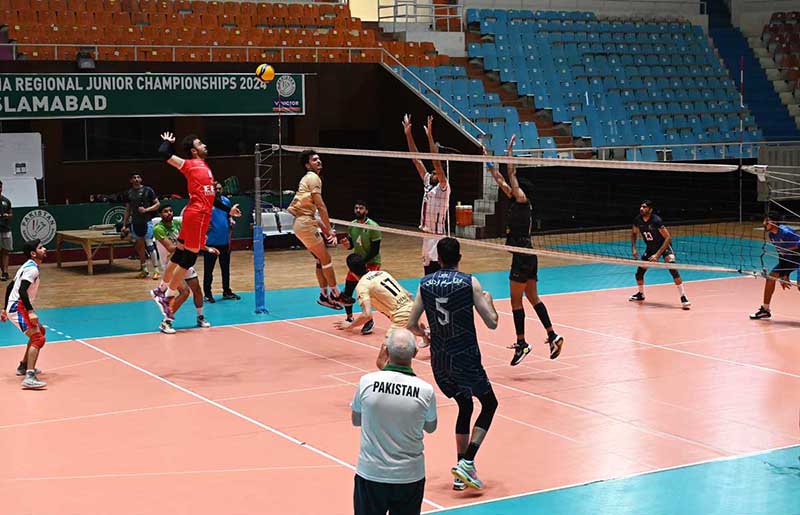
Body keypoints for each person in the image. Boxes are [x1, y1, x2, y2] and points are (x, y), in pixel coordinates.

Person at [407, 237, 499, 491]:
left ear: (439, 259)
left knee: (465, 404)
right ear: (459, 257)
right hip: (465, 357)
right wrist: (489, 301)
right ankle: (467, 461)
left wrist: (426, 336)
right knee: (490, 404)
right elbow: (492, 322)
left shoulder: (425, 283)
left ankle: (461, 474)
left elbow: (411, 324)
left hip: (441, 360)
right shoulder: (470, 282)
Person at [486, 135, 563, 365]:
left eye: (517, 188)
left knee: (515, 302)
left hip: (522, 255)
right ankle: (553, 335)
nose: (513, 189)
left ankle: (522, 343)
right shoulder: (514, 199)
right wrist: (487, 161)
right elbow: (500, 178)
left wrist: (509, 151)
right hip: (527, 254)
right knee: (532, 297)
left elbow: (510, 174)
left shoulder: (522, 199)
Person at [151, 132, 241, 320]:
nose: (204, 145)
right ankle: (168, 297)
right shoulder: (189, 164)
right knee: (189, 259)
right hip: (197, 215)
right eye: (200, 144)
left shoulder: (206, 168)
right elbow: (164, 154)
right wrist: (167, 142)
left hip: (199, 214)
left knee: (180, 254)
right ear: (194, 150)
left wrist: (228, 210)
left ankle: (160, 290)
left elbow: (212, 199)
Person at [351, 328, 437, 515]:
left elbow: (356, 419)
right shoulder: (426, 390)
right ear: (415, 353)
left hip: (372, 473)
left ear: (386, 351)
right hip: (410, 476)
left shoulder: (366, 382)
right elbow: (431, 427)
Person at [287, 149, 353, 309]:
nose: (319, 161)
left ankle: (324, 296)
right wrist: (330, 230)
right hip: (305, 224)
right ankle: (336, 294)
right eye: (315, 159)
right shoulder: (313, 178)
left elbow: (314, 214)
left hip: (303, 223)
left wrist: (326, 230)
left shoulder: (307, 179)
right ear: (307, 164)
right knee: (327, 259)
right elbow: (321, 206)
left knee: (320, 259)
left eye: (319, 159)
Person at [335, 254, 425, 370]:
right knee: (406, 350)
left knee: (382, 361)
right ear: (365, 265)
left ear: (351, 272)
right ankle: (423, 334)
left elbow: (367, 315)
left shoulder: (362, 285)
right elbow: (408, 294)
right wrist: (415, 318)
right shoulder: (383, 273)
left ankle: (396, 383)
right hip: (413, 310)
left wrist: (350, 326)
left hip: (401, 317)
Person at [152, 204, 213, 334]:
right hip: (172, 264)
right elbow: (171, 248)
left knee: (197, 289)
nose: (168, 213)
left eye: (170, 210)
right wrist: (190, 243)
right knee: (184, 292)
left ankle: (200, 317)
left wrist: (206, 246)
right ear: (160, 215)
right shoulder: (158, 228)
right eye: (165, 211)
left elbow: (192, 232)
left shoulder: (178, 224)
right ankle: (166, 321)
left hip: (186, 261)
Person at [403, 114, 450, 276]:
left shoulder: (444, 187)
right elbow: (416, 160)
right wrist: (408, 134)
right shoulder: (428, 181)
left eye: (437, 169)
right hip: (426, 235)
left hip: (438, 237)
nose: (433, 170)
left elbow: (436, 162)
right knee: (428, 275)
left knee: (439, 275)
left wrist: (430, 137)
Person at [1, 239, 48, 389]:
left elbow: (10, 287)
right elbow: (21, 290)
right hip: (18, 307)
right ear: (34, 254)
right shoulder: (32, 269)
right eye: (41, 248)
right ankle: (29, 376)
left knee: (40, 331)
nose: (45, 249)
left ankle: (23, 366)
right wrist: (31, 311)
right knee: (37, 338)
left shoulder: (27, 266)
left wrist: (3, 309)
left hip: (14, 306)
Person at [629, 200, 691, 309]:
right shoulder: (637, 220)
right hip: (650, 248)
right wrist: (634, 248)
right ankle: (641, 294)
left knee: (673, 269)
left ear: (650, 209)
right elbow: (634, 233)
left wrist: (657, 255)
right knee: (639, 273)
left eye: (644, 207)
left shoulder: (656, 220)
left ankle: (683, 297)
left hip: (664, 247)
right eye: (641, 207)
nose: (641, 209)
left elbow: (668, 238)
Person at [341, 200, 382, 332]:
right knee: (347, 291)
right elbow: (352, 245)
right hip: (357, 264)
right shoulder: (351, 225)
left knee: (364, 292)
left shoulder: (373, 226)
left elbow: (375, 250)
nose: (358, 210)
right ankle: (349, 318)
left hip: (372, 262)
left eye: (361, 208)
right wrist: (347, 245)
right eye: (356, 208)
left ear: (366, 211)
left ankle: (369, 321)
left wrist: (361, 263)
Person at [750, 216, 800, 320]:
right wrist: (783, 274)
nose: (764, 223)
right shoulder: (772, 235)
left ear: (774, 222)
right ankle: (765, 310)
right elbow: (781, 254)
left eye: (767, 220)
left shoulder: (786, 232)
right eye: (764, 221)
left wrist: (786, 274)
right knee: (770, 278)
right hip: (790, 259)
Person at [203, 181, 240, 303]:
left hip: (224, 240)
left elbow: (228, 215)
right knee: (209, 270)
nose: (217, 190)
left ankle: (227, 291)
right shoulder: (207, 202)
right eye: (215, 189)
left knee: (225, 268)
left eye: (219, 188)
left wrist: (231, 220)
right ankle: (208, 294)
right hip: (211, 242)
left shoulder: (226, 201)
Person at [120, 172, 160, 279]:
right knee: (140, 247)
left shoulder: (148, 190)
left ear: (141, 179)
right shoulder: (128, 193)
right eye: (134, 178)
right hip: (135, 223)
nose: (136, 179)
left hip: (146, 222)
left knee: (150, 245)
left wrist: (146, 210)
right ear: (131, 180)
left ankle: (156, 269)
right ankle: (144, 270)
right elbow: (128, 210)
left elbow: (157, 204)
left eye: (138, 177)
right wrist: (124, 225)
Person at [0, 180, 12, 281]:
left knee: (6, 251)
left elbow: (11, 214)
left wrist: (8, 216)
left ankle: (5, 272)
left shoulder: (6, 201)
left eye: (0, 187)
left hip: (6, 229)